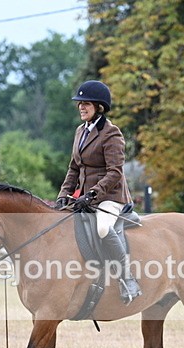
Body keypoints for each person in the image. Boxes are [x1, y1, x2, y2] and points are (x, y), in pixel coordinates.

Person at [55, 80, 141, 304]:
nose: (81, 107)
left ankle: (127, 279)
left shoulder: (112, 134)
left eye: (86, 104)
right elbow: (74, 167)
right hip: (85, 198)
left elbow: (114, 173)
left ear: (99, 107)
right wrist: (63, 195)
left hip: (111, 197)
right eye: (79, 103)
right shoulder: (80, 131)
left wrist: (92, 195)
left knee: (103, 227)